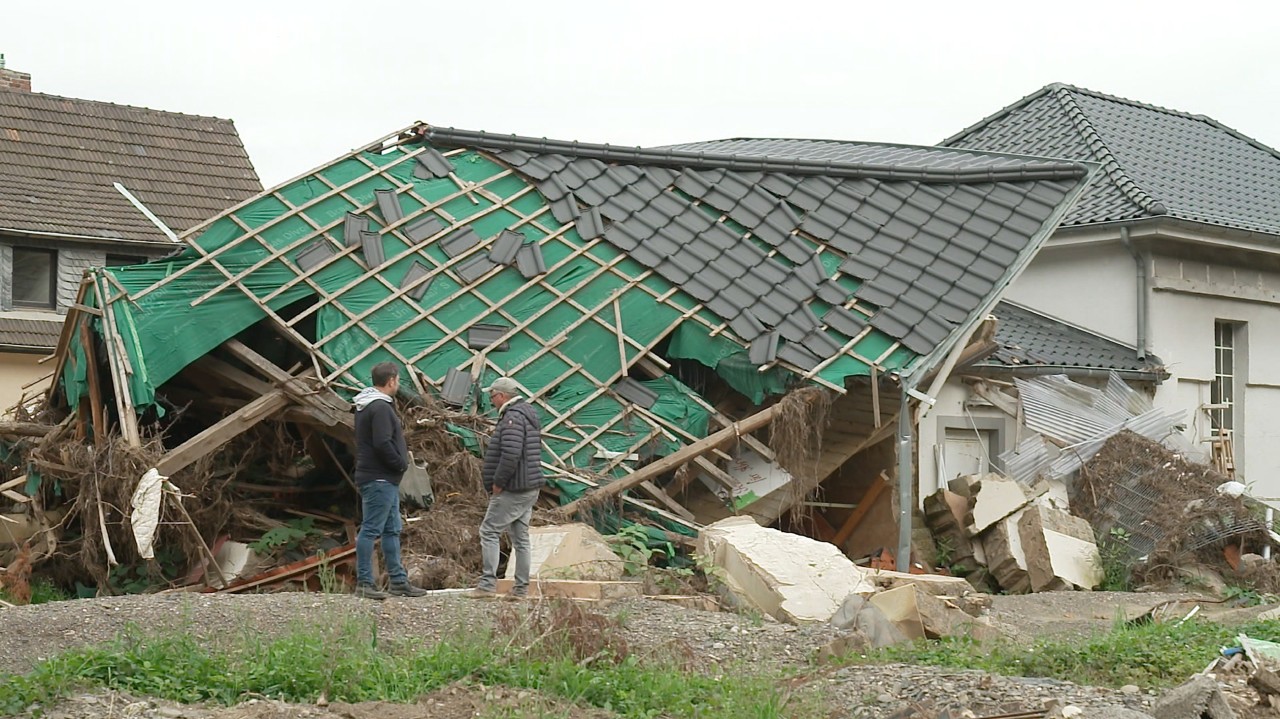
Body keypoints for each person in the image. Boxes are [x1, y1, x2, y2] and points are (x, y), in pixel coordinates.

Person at [352, 361, 427, 600]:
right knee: (372, 528)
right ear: (392, 380)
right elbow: (383, 442)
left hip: (381, 478)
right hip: (379, 477)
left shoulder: (366, 405)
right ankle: (365, 581)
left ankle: (398, 581)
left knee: (392, 529)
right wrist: (400, 463)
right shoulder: (380, 408)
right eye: (398, 380)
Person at [467, 376, 545, 600]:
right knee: (520, 537)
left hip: (514, 487)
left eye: (492, 396)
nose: (491, 401)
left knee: (489, 531)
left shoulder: (512, 418)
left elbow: (511, 454)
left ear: (502, 396)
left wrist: (498, 482)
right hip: (528, 486)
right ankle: (520, 589)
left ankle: (487, 585)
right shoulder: (527, 415)